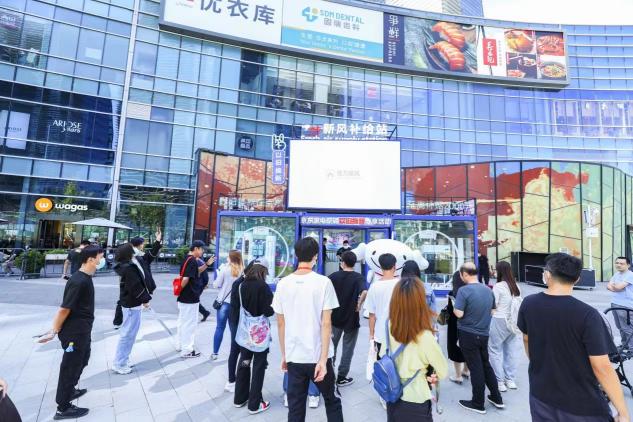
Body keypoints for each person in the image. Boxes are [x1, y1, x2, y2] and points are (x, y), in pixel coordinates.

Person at [519, 253, 630, 422]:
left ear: (547, 274)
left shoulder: (528, 303)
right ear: (577, 279)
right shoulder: (588, 315)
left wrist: (541, 365)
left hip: (541, 395)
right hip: (581, 406)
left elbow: (527, 340)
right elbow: (601, 366)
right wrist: (623, 412)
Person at [272, 237, 343, 422]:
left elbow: (281, 323)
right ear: (316, 256)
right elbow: (326, 324)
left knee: (295, 408)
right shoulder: (323, 282)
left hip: (294, 355)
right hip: (320, 356)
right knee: (332, 401)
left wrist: (284, 354)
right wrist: (322, 359)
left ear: (296, 255)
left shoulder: (283, 284)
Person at [40, 246, 104, 420]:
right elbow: (64, 309)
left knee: (83, 359)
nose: (102, 260)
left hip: (83, 330)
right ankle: (63, 407)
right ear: (91, 259)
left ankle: (71, 389)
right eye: (100, 257)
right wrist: (54, 330)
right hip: (74, 333)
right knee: (70, 367)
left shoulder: (85, 277)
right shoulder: (79, 281)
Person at [383, 277, 448, 421]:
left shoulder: (389, 324)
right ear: (420, 302)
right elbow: (442, 371)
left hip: (392, 394)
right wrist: (431, 374)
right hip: (416, 398)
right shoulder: (424, 336)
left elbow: (384, 354)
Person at [453, 262, 503, 414]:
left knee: (475, 368)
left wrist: (455, 306)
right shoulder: (488, 290)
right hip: (483, 333)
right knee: (485, 365)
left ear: (465, 274)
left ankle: (478, 403)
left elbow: (459, 314)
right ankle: (496, 397)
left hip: (468, 334)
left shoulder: (463, 290)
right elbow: (494, 310)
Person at [232, 259, 274, 414]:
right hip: (259, 333)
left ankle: (239, 398)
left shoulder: (241, 285)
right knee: (259, 365)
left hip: (245, 331)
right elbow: (269, 311)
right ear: (263, 271)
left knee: (244, 361)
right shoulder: (263, 287)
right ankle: (255, 404)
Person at [111, 244, 152, 375]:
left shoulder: (125, 266)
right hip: (131, 305)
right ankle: (119, 363)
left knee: (129, 334)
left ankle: (123, 359)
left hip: (131, 304)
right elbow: (135, 287)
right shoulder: (128, 268)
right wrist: (145, 299)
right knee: (128, 334)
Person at [329, 250, 367, 387]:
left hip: (334, 318)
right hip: (351, 318)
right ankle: (341, 377)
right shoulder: (359, 277)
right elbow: (364, 291)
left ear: (342, 263)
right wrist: (359, 304)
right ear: (354, 263)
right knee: (348, 349)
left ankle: (328, 375)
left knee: (331, 347)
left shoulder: (333, 276)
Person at [113, 231, 162, 328]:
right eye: (143, 243)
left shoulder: (139, 257)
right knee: (129, 329)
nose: (143, 245)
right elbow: (135, 285)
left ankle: (118, 322)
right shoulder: (128, 264)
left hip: (135, 296)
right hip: (131, 298)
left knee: (131, 326)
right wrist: (145, 299)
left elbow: (151, 255)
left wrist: (158, 240)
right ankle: (118, 322)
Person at [177, 240, 215, 358]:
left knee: (183, 322)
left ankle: (180, 345)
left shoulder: (188, 259)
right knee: (190, 324)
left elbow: (195, 272)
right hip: (190, 298)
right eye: (202, 249)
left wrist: (207, 264)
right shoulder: (192, 260)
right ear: (196, 248)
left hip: (185, 297)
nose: (203, 252)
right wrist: (180, 290)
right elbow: (186, 279)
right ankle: (187, 350)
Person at [488, 261, 521, 392]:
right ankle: (510, 379)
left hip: (499, 320)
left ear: (499, 271)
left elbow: (493, 305)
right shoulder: (516, 286)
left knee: (495, 350)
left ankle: (500, 381)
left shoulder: (498, 286)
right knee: (510, 351)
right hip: (513, 322)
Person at [212, 250, 243, 361]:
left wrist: (219, 273)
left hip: (223, 304)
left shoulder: (225, 269)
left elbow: (216, 285)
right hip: (236, 305)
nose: (226, 259)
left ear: (231, 258)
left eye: (228, 257)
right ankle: (234, 354)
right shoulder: (243, 271)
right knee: (234, 330)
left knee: (220, 328)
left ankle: (215, 353)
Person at [365, 253, 399, 357]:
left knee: (382, 367)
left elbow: (371, 315)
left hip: (380, 334)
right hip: (398, 333)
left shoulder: (374, 286)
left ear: (380, 267)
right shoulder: (400, 285)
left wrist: (371, 335)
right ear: (395, 266)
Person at [446, 270, 470, 384]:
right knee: (466, 348)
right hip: (468, 326)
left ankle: (458, 375)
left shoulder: (452, 294)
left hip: (454, 327)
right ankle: (466, 370)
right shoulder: (470, 292)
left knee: (455, 349)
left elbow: (450, 312)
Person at [607, 256, 633, 351]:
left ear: (628, 265)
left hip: (626, 305)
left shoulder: (630, 275)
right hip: (615, 303)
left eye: (622, 263)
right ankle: (624, 344)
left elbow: (617, 287)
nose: (618, 265)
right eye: (617, 263)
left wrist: (615, 287)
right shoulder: (616, 274)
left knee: (627, 328)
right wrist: (616, 287)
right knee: (620, 327)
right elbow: (608, 286)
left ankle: (631, 348)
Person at [197, 257, 211, 322]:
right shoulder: (200, 261)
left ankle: (205, 313)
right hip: (200, 284)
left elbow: (204, 273)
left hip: (199, 284)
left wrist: (205, 284)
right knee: (195, 300)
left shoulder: (198, 261)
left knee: (194, 301)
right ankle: (205, 313)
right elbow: (205, 274)